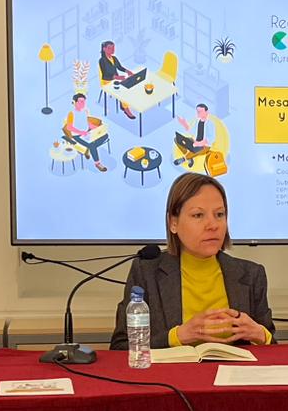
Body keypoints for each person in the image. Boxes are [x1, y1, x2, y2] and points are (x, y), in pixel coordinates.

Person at [110, 172, 274, 350]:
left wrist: (261, 335)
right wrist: (177, 336)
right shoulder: (146, 272)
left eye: (219, 214)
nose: (213, 225)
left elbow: (274, 350)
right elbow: (121, 346)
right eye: (198, 215)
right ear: (173, 222)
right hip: (174, 369)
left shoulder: (251, 275)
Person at [63, 93, 108, 171]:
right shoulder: (71, 113)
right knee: (92, 145)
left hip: (87, 132)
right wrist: (81, 132)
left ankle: (89, 149)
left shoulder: (85, 111)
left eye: (84, 101)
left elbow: (87, 122)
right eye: (80, 101)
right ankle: (97, 163)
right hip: (77, 135)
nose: (83, 103)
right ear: (75, 102)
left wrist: (95, 128)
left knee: (105, 135)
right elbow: (69, 127)